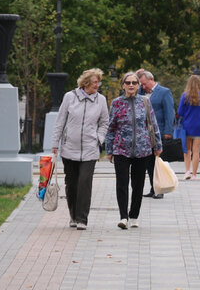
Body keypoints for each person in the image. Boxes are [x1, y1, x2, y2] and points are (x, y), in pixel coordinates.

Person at [49, 68, 109, 231]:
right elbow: (60, 122)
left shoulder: (101, 100)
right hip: (69, 148)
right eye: (95, 82)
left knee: (85, 182)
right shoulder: (70, 97)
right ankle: (73, 215)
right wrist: (55, 144)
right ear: (86, 82)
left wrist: (99, 138)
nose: (98, 85)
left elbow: (104, 122)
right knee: (72, 183)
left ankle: (82, 218)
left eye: (99, 82)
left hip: (90, 149)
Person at [106, 71, 162, 229]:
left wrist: (157, 145)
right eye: (128, 83)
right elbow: (111, 127)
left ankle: (134, 215)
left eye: (134, 83)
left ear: (139, 86)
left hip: (142, 149)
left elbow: (153, 124)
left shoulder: (144, 102)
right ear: (123, 85)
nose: (131, 85)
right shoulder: (116, 103)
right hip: (121, 149)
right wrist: (109, 149)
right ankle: (123, 217)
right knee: (122, 183)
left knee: (138, 185)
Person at [138, 70, 175, 198]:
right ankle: (154, 188)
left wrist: (168, 131)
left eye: (144, 84)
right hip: (144, 133)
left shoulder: (164, 92)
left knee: (158, 162)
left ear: (151, 79)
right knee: (149, 162)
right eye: (141, 85)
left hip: (159, 132)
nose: (143, 87)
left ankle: (161, 189)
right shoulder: (141, 93)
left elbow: (169, 112)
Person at [176, 75, 200, 179]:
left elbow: (180, 112)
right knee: (196, 151)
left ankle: (187, 171)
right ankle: (194, 174)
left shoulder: (185, 96)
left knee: (187, 150)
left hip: (187, 125)